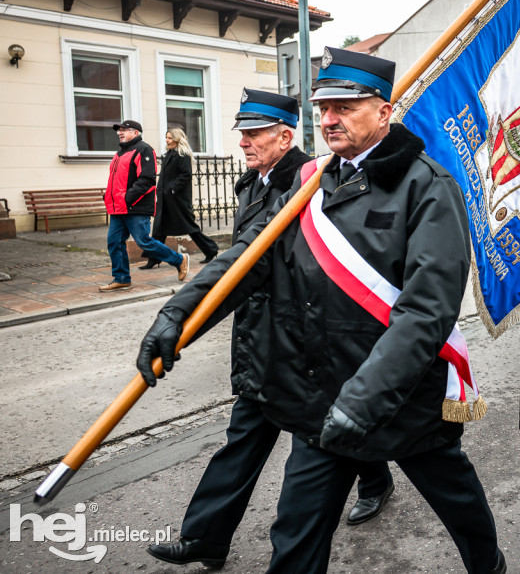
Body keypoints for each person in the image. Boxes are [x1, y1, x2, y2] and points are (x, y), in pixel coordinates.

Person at [137, 50, 504, 574]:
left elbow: (427, 310)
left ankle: (489, 564)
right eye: (322, 107)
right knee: (295, 537)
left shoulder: (427, 186)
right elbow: (249, 259)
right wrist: (178, 317)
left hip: (401, 404)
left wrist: (365, 399)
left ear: (384, 110)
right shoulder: (307, 181)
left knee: (460, 508)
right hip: (320, 406)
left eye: (345, 106)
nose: (329, 119)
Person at [143, 90, 395, 569]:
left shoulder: (310, 183)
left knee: (336, 429)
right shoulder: (251, 185)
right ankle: (206, 538)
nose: (244, 142)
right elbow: (240, 264)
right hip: (261, 337)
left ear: (285, 136)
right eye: (242, 132)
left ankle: (376, 480)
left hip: (305, 340)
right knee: (243, 440)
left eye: (255, 133)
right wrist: (180, 317)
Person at [101, 120, 189, 291]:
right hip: (118, 207)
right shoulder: (120, 153)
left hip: (135, 206)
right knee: (114, 242)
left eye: (124, 130)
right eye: (119, 130)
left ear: (135, 132)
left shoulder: (144, 149)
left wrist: (127, 198)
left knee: (144, 242)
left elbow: (147, 179)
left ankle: (179, 260)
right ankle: (121, 278)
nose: (120, 132)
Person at [140, 127, 219, 269]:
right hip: (165, 199)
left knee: (190, 228)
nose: (167, 140)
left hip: (177, 200)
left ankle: (211, 249)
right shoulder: (169, 153)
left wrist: (172, 188)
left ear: (177, 139)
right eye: (167, 137)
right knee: (159, 229)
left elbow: (186, 175)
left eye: (170, 138)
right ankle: (153, 259)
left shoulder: (183, 155)